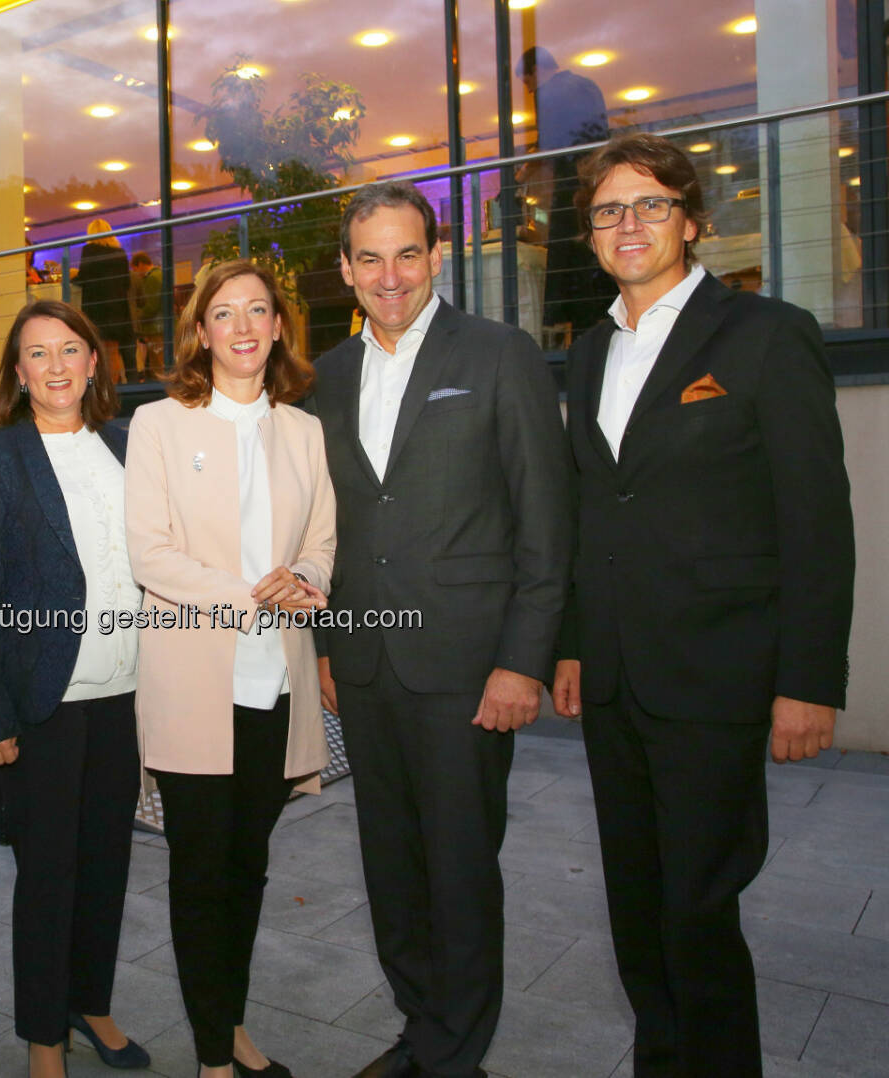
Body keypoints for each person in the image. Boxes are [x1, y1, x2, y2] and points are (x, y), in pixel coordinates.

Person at [552, 132, 855, 1077]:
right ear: (590, 235)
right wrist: (570, 646)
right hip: (612, 681)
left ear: (691, 219)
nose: (628, 223)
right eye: (608, 209)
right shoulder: (591, 349)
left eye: (649, 204)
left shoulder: (765, 334)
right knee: (637, 906)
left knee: (700, 906)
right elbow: (589, 511)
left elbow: (817, 521)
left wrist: (808, 681)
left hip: (716, 673)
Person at [310, 180, 572, 1078]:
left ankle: (458, 1055)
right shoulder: (327, 375)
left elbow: (546, 519)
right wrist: (324, 648)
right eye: (371, 258)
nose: (391, 276)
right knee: (391, 869)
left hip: (468, 666)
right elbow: (325, 525)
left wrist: (522, 662)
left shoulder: (499, 354)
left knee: (459, 871)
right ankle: (422, 1031)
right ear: (346, 269)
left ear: (436, 256)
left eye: (408, 254)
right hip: (367, 661)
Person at [125, 259, 336, 1078]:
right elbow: (152, 555)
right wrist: (252, 595)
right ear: (201, 332)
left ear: (279, 326)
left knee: (247, 869)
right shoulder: (160, 426)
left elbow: (321, 543)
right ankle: (215, 1056)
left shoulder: (304, 431)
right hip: (193, 690)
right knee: (200, 872)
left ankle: (231, 1021)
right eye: (224, 313)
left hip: (274, 688)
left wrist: (308, 580)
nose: (244, 326)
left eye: (258, 311)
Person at [0, 299, 149, 1078]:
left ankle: (92, 1005)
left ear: (95, 360)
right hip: (44, 701)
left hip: (128, 693)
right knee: (47, 874)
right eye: (38, 354)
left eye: (70, 349)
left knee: (107, 862)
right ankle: (45, 1038)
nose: (57, 366)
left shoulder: (130, 446)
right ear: (17, 372)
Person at [517, 46, 612, 342]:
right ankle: (597, 327)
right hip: (594, 182)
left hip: (572, 185)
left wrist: (520, 176)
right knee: (589, 254)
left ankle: (580, 337)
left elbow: (549, 144)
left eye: (527, 82)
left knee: (570, 258)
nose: (529, 89)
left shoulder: (550, 93)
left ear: (535, 71)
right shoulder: (587, 86)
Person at [76, 219, 136, 382]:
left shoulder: (89, 250)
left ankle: (105, 386)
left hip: (98, 309)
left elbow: (84, 278)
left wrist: (72, 275)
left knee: (101, 351)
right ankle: (124, 382)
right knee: (119, 350)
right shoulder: (120, 253)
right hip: (118, 308)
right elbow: (126, 283)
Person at [129, 250, 165, 380]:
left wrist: (136, 319)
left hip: (156, 328)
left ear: (140, 264)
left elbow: (150, 306)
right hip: (162, 326)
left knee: (159, 365)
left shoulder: (152, 278)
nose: (136, 274)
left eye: (134, 269)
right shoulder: (161, 274)